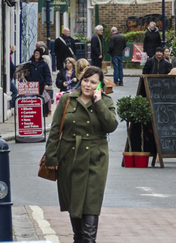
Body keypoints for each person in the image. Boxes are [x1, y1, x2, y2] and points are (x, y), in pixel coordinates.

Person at [42, 66, 117, 243]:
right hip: (69, 156)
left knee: (91, 202)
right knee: (74, 202)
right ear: (80, 80)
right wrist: (51, 158)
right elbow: (54, 131)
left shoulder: (106, 102)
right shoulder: (68, 99)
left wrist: (98, 102)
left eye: (93, 82)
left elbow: (111, 126)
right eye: (85, 80)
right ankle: (78, 238)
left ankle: (89, 240)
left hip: (95, 158)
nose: (88, 85)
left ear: (99, 84)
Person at [23, 48, 53, 116]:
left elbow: (47, 74)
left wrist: (47, 83)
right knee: (33, 100)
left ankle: (44, 113)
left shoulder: (44, 64)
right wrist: (30, 80)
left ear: (40, 55)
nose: (36, 55)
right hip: (32, 85)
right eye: (35, 53)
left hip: (41, 84)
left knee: (42, 99)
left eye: (38, 53)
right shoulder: (29, 64)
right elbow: (26, 74)